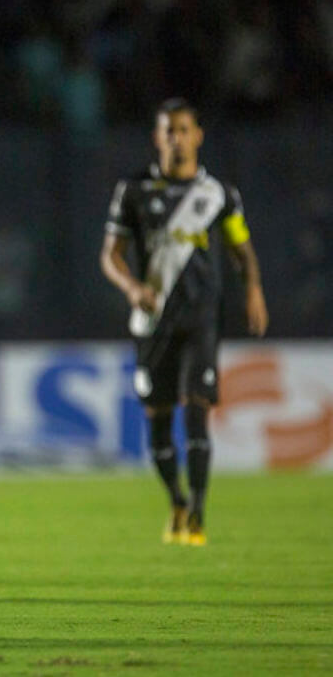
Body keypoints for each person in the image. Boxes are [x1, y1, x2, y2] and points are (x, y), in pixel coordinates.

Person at [101, 98, 268, 546]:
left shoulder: (219, 195)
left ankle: (197, 512)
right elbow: (111, 255)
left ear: (198, 135)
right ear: (158, 138)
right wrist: (133, 288)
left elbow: (241, 250)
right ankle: (175, 498)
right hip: (152, 322)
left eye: (183, 129)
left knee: (198, 412)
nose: (176, 137)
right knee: (157, 420)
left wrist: (253, 288)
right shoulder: (134, 190)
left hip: (201, 320)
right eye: (167, 130)